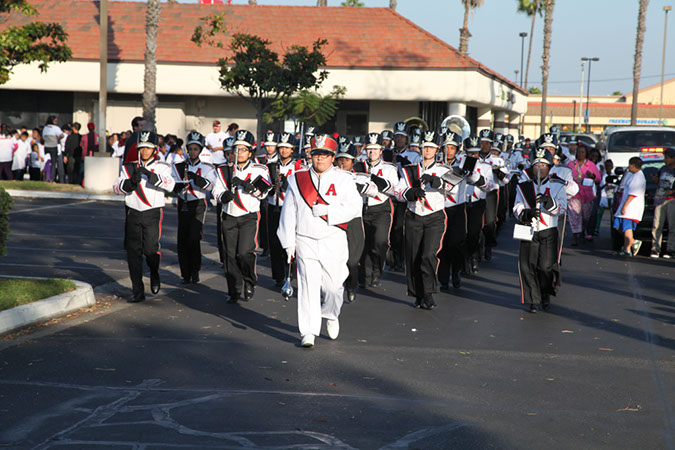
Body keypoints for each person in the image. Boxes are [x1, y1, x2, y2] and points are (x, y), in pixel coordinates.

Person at [277, 134, 362, 347]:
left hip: (333, 239)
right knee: (308, 285)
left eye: (325, 155)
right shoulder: (297, 179)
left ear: (333, 157)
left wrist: (329, 211)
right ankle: (308, 331)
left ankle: (331, 314)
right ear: (310, 155)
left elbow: (355, 208)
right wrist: (288, 243)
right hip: (304, 238)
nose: (320, 159)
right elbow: (288, 211)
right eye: (316, 154)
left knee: (333, 287)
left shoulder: (344, 179)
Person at [113, 131, 176, 302]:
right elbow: (116, 188)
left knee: (150, 250)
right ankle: (138, 291)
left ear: (154, 149)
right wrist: (130, 182)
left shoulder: (163, 166)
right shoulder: (128, 166)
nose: (145, 151)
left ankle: (154, 273)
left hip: (153, 212)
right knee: (133, 253)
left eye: (148, 148)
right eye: (142, 148)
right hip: (133, 211)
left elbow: (170, 185)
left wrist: (150, 175)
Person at [212, 130, 272, 303]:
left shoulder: (259, 169)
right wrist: (222, 196)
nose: (239, 153)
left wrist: (247, 186)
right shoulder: (223, 170)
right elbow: (216, 190)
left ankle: (249, 280)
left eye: (243, 150)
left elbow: (263, 193)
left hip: (248, 216)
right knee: (230, 256)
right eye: (236, 149)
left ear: (251, 152)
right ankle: (234, 289)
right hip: (229, 216)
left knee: (244, 253)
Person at [395, 131, 451, 310]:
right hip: (413, 215)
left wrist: (437, 181)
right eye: (425, 147)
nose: (427, 150)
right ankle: (417, 294)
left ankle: (428, 292)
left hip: (434, 216)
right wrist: (410, 193)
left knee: (428, 255)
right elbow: (399, 191)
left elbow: (453, 188)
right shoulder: (409, 169)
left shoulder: (443, 169)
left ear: (436, 150)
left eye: (431, 148)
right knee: (413, 256)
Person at [514, 148, 567, 313]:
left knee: (545, 267)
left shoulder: (557, 185)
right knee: (527, 266)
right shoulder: (523, 186)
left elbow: (562, 208)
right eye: (537, 165)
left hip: (548, 230)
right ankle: (533, 299)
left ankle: (545, 293)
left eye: (544, 165)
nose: (540, 168)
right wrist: (525, 212)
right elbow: (516, 206)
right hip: (529, 230)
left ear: (550, 167)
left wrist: (549, 202)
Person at [171, 131, 217, 284]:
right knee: (182, 239)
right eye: (190, 149)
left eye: (196, 149)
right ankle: (185, 273)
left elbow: (210, 186)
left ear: (201, 150)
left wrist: (196, 179)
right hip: (183, 202)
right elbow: (171, 184)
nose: (192, 152)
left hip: (198, 203)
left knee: (193, 238)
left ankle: (195, 270)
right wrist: (178, 186)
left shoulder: (207, 167)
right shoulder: (178, 166)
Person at [334, 141, 376, 303]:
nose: (343, 162)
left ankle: (351, 286)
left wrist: (359, 187)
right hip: (335, 221)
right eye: (340, 159)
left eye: (347, 159)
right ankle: (335, 288)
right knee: (335, 260)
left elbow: (373, 190)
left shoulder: (360, 176)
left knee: (352, 260)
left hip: (354, 221)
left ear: (353, 161)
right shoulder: (330, 177)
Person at [357, 132, 399, 289]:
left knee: (379, 242)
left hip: (381, 209)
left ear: (381, 151)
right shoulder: (358, 166)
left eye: (375, 149)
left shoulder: (389, 168)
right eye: (369, 149)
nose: (371, 152)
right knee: (363, 244)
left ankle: (376, 270)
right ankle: (365, 276)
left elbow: (393, 189)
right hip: (362, 208)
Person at [437, 131, 472, 290]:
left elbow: (478, 181)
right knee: (442, 245)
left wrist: (468, 173)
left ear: (458, 149)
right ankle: (443, 278)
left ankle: (456, 272)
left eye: (452, 147)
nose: (449, 150)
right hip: (440, 208)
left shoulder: (465, 162)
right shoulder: (436, 163)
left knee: (457, 243)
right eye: (447, 147)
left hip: (458, 208)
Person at [267, 132, 300, 286]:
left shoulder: (298, 166)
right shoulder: (271, 165)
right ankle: (278, 275)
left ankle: (289, 272)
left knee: (289, 241)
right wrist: (272, 187)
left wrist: (287, 183)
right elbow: (263, 186)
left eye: (287, 148)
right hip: (274, 205)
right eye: (281, 148)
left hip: (291, 209)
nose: (284, 151)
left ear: (292, 149)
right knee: (274, 241)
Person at [464, 136, 494, 274]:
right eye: (470, 153)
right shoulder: (459, 164)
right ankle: (463, 261)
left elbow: (489, 186)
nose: (473, 156)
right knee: (462, 234)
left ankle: (474, 257)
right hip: (462, 202)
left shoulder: (485, 167)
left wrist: (476, 178)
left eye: (475, 153)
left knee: (474, 232)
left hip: (477, 202)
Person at [567, 141, 601, 246]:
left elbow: (598, 179)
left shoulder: (591, 165)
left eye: (582, 152)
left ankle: (582, 231)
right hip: (574, 195)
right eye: (579, 152)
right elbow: (566, 177)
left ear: (586, 154)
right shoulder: (571, 164)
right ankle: (575, 236)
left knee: (585, 217)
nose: (580, 154)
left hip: (587, 195)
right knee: (574, 216)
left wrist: (592, 176)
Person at [613, 157, 646, 257]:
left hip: (631, 207)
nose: (628, 167)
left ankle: (627, 249)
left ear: (632, 165)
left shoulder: (638, 177)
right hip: (626, 206)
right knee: (618, 226)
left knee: (627, 228)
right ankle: (633, 242)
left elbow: (633, 194)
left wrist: (625, 206)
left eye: (629, 165)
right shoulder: (632, 175)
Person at [650, 148, 675, 258]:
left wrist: (671, 192)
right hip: (660, 199)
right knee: (657, 225)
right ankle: (655, 248)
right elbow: (659, 183)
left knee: (672, 226)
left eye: (666, 157)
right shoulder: (663, 169)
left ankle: (670, 249)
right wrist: (656, 179)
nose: (664, 160)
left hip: (671, 200)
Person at [42, 116, 64, 183]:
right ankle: (51, 179)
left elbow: (43, 137)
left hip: (46, 146)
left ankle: (45, 177)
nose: (56, 122)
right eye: (55, 120)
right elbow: (62, 135)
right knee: (53, 163)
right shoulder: (56, 128)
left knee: (46, 162)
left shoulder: (45, 127)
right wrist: (57, 139)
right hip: (53, 146)